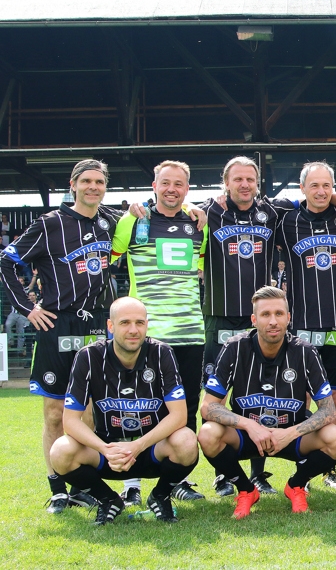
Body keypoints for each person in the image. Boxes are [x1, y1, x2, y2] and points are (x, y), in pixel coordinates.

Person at [199, 156, 336, 496]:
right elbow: (173, 204)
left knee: (298, 393)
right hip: (221, 317)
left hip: (275, 314)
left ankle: (298, 472)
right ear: (226, 182)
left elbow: (317, 199)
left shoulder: (272, 213)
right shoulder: (207, 211)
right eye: (237, 179)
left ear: (258, 184)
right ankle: (228, 475)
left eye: (250, 179)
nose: (244, 184)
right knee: (234, 396)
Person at [0, 160, 120, 513]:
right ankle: (57, 489)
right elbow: (7, 260)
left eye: (99, 181)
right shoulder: (50, 223)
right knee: (55, 412)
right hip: (58, 323)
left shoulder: (112, 221)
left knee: (90, 413)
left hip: (96, 325)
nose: (93, 187)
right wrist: (28, 308)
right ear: (73, 184)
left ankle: (85, 484)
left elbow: (157, 212)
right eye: (87, 181)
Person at [198, 286, 336, 518]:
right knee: (208, 433)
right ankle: (247, 490)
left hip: (291, 436)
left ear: (288, 318)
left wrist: (290, 433)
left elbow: (328, 411)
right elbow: (207, 406)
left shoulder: (305, 352)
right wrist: (250, 426)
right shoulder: (234, 348)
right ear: (254, 319)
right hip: (248, 436)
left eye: (279, 314)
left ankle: (296, 485)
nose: (273, 321)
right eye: (266, 315)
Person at [49, 297, 199, 524]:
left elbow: (179, 415)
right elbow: (70, 421)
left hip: (150, 450)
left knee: (187, 441)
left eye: (139, 323)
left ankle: (160, 497)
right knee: (60, 451)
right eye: (125, 323)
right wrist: (105, 449)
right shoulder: (88, 357)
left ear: (147, 325)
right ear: (110, 326)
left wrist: (137, 445)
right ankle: (108, 500)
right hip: (108, 452)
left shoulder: (162, 353)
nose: (133, 330)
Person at [110, 160, 207, 505]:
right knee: (138, 407)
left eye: (178, 184)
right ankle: (131, 481)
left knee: (188, 409)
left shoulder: (198, 223)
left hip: (190, 333)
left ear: (187, 189)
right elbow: (105, 259)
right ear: (154, 185)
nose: (171, 189)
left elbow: (198, 269)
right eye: (165, 183)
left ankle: (178, 480)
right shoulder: (133, 220)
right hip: (145, 336)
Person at [275, 161, 336, 491]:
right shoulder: (287, 221)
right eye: (315, 185)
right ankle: (305, 465)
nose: (322, 191)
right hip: (302, 329)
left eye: (328, 185)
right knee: (304, 400)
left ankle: (330, 469)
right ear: (302, 189)